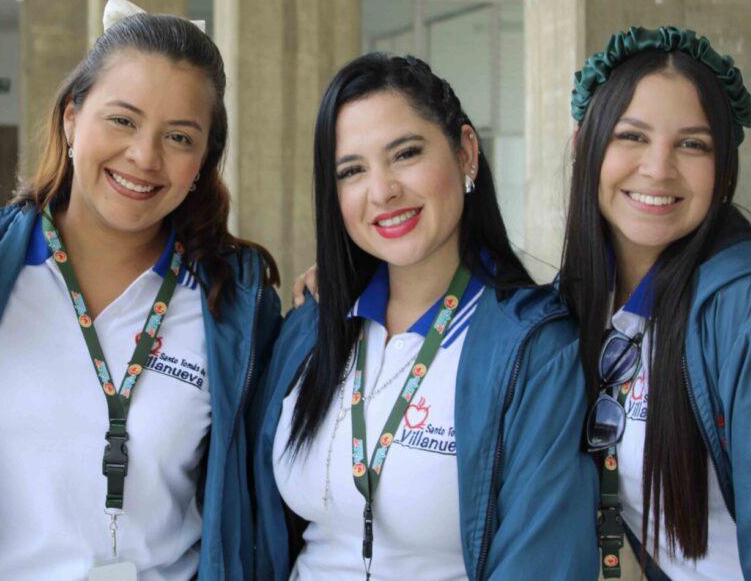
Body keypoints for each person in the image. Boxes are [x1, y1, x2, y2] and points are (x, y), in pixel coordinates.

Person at [0, 0, 282, 580]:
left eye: (179, 137)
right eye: (123, 121)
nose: (144, 157)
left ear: (203, 161)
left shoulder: (234, 300)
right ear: (71, 119)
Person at [252, 53, 597, 580]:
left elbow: (543, 561)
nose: (382, 190)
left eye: (406, 154)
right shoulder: (312, 327)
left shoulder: (535, 350)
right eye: (352, 171)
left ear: (466, 153)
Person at [560, 26, 751, 580]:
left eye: (693, 144)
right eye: (631, 136)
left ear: (724, 168)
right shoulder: (579, 304)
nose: (658, 168)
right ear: (583, 146)